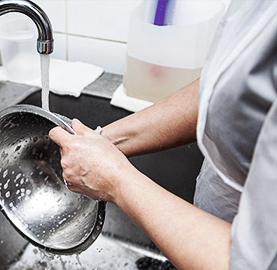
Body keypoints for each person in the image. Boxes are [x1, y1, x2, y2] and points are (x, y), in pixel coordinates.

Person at [49, 1, 277, 269]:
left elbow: (252, 264)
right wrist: (102, 141)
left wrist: (115, 179)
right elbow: (228, 87)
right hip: (203, 235)